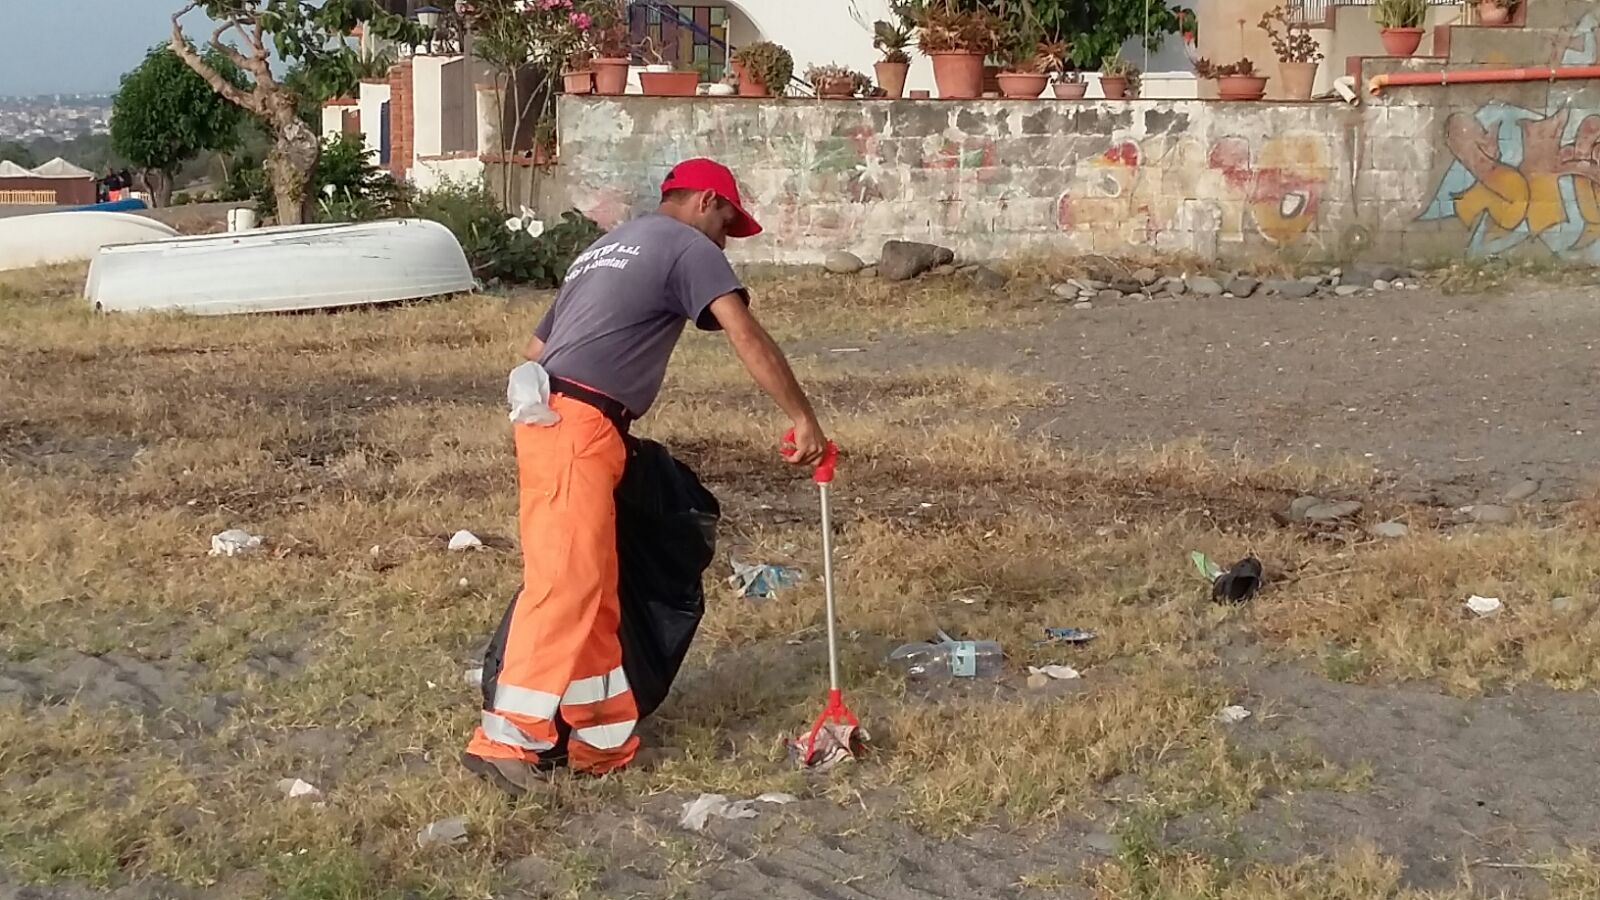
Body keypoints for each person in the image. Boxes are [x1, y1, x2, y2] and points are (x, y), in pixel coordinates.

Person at [462, 158, 828, 795]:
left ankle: (599, 742)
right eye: (727, 225)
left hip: (562, 417)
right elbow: (744, 331)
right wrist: (803, 416)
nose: (724, 241)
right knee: (566, 586)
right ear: (705, 202)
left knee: (598, 586)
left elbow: (534, 353)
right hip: (578, 424)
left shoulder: (606, 247)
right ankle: (507, 740)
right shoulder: (686, 245)